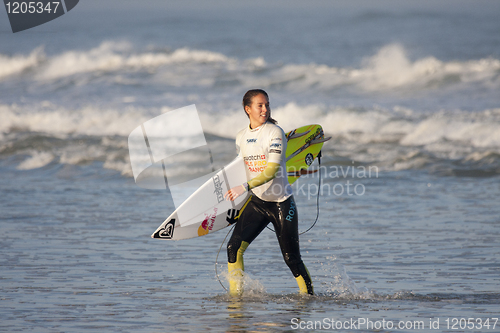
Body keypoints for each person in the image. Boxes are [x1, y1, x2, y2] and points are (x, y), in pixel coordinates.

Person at [224, 89, 314, 296]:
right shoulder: (241, 137)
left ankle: (308, 298)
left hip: (281, 203)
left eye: (267, 105)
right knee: (233, 249)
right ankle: (235, 299)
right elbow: (241, 168)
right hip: (257, 203)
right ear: (248, 109)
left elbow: (271, 170)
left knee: (291, 258)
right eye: (260, 105)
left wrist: (244, 187)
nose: (265, 109)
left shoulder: (275, 132)